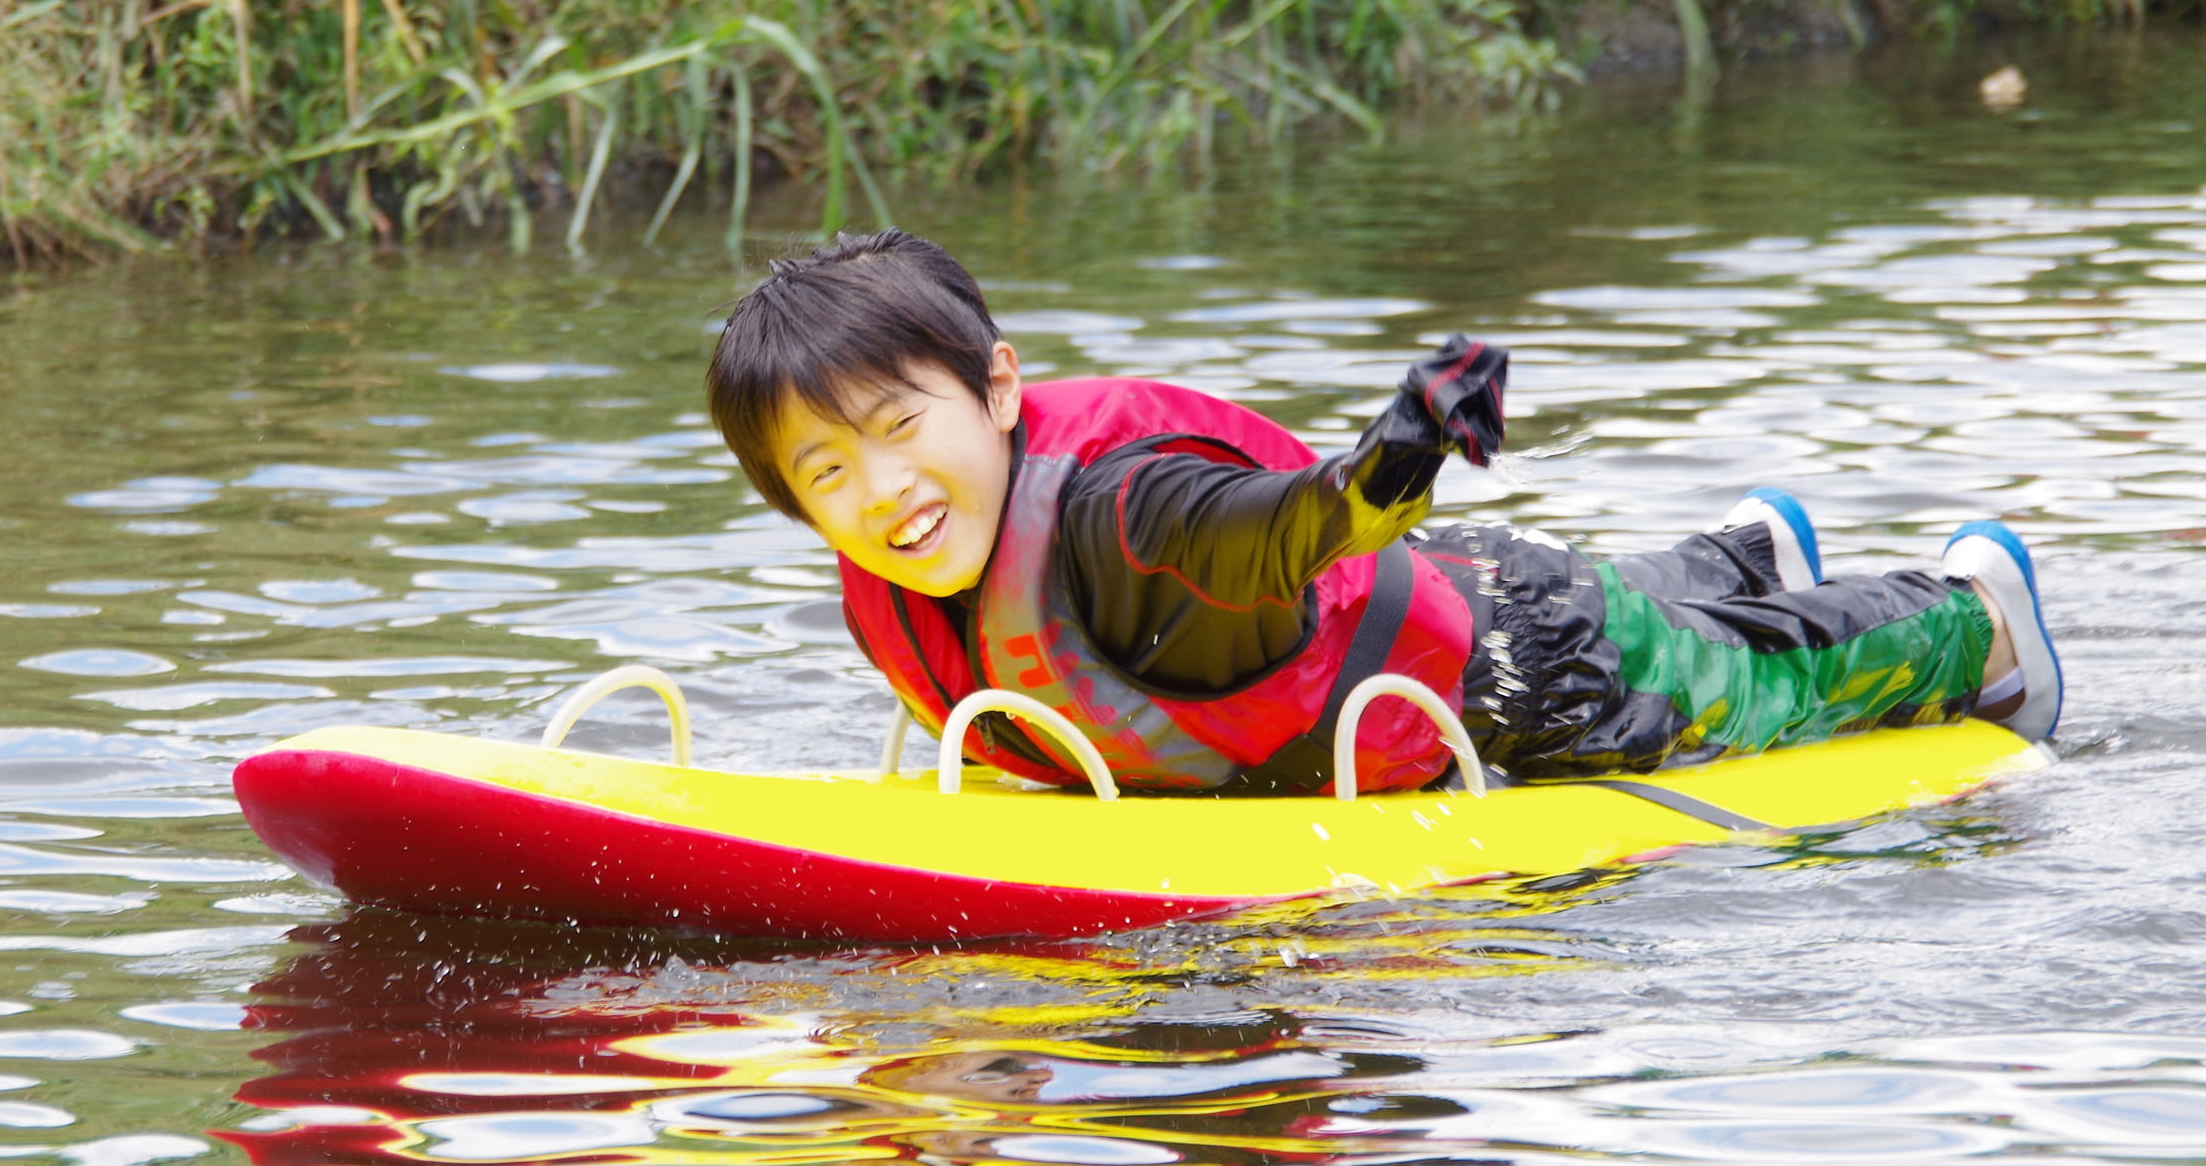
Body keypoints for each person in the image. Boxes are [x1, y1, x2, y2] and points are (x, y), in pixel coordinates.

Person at [705, 229, 2061, 798]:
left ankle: (1982, 626)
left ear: (998, 388)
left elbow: (1279, 530)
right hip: (1430, 605)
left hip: (1521, 677)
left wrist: (1385, 464)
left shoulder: (1121, 512)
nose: (880, 490)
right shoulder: (899, 565)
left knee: (1756, 689)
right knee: (1648, 596)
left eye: (899, 428)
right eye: (825, 472)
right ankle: (1750, 551)